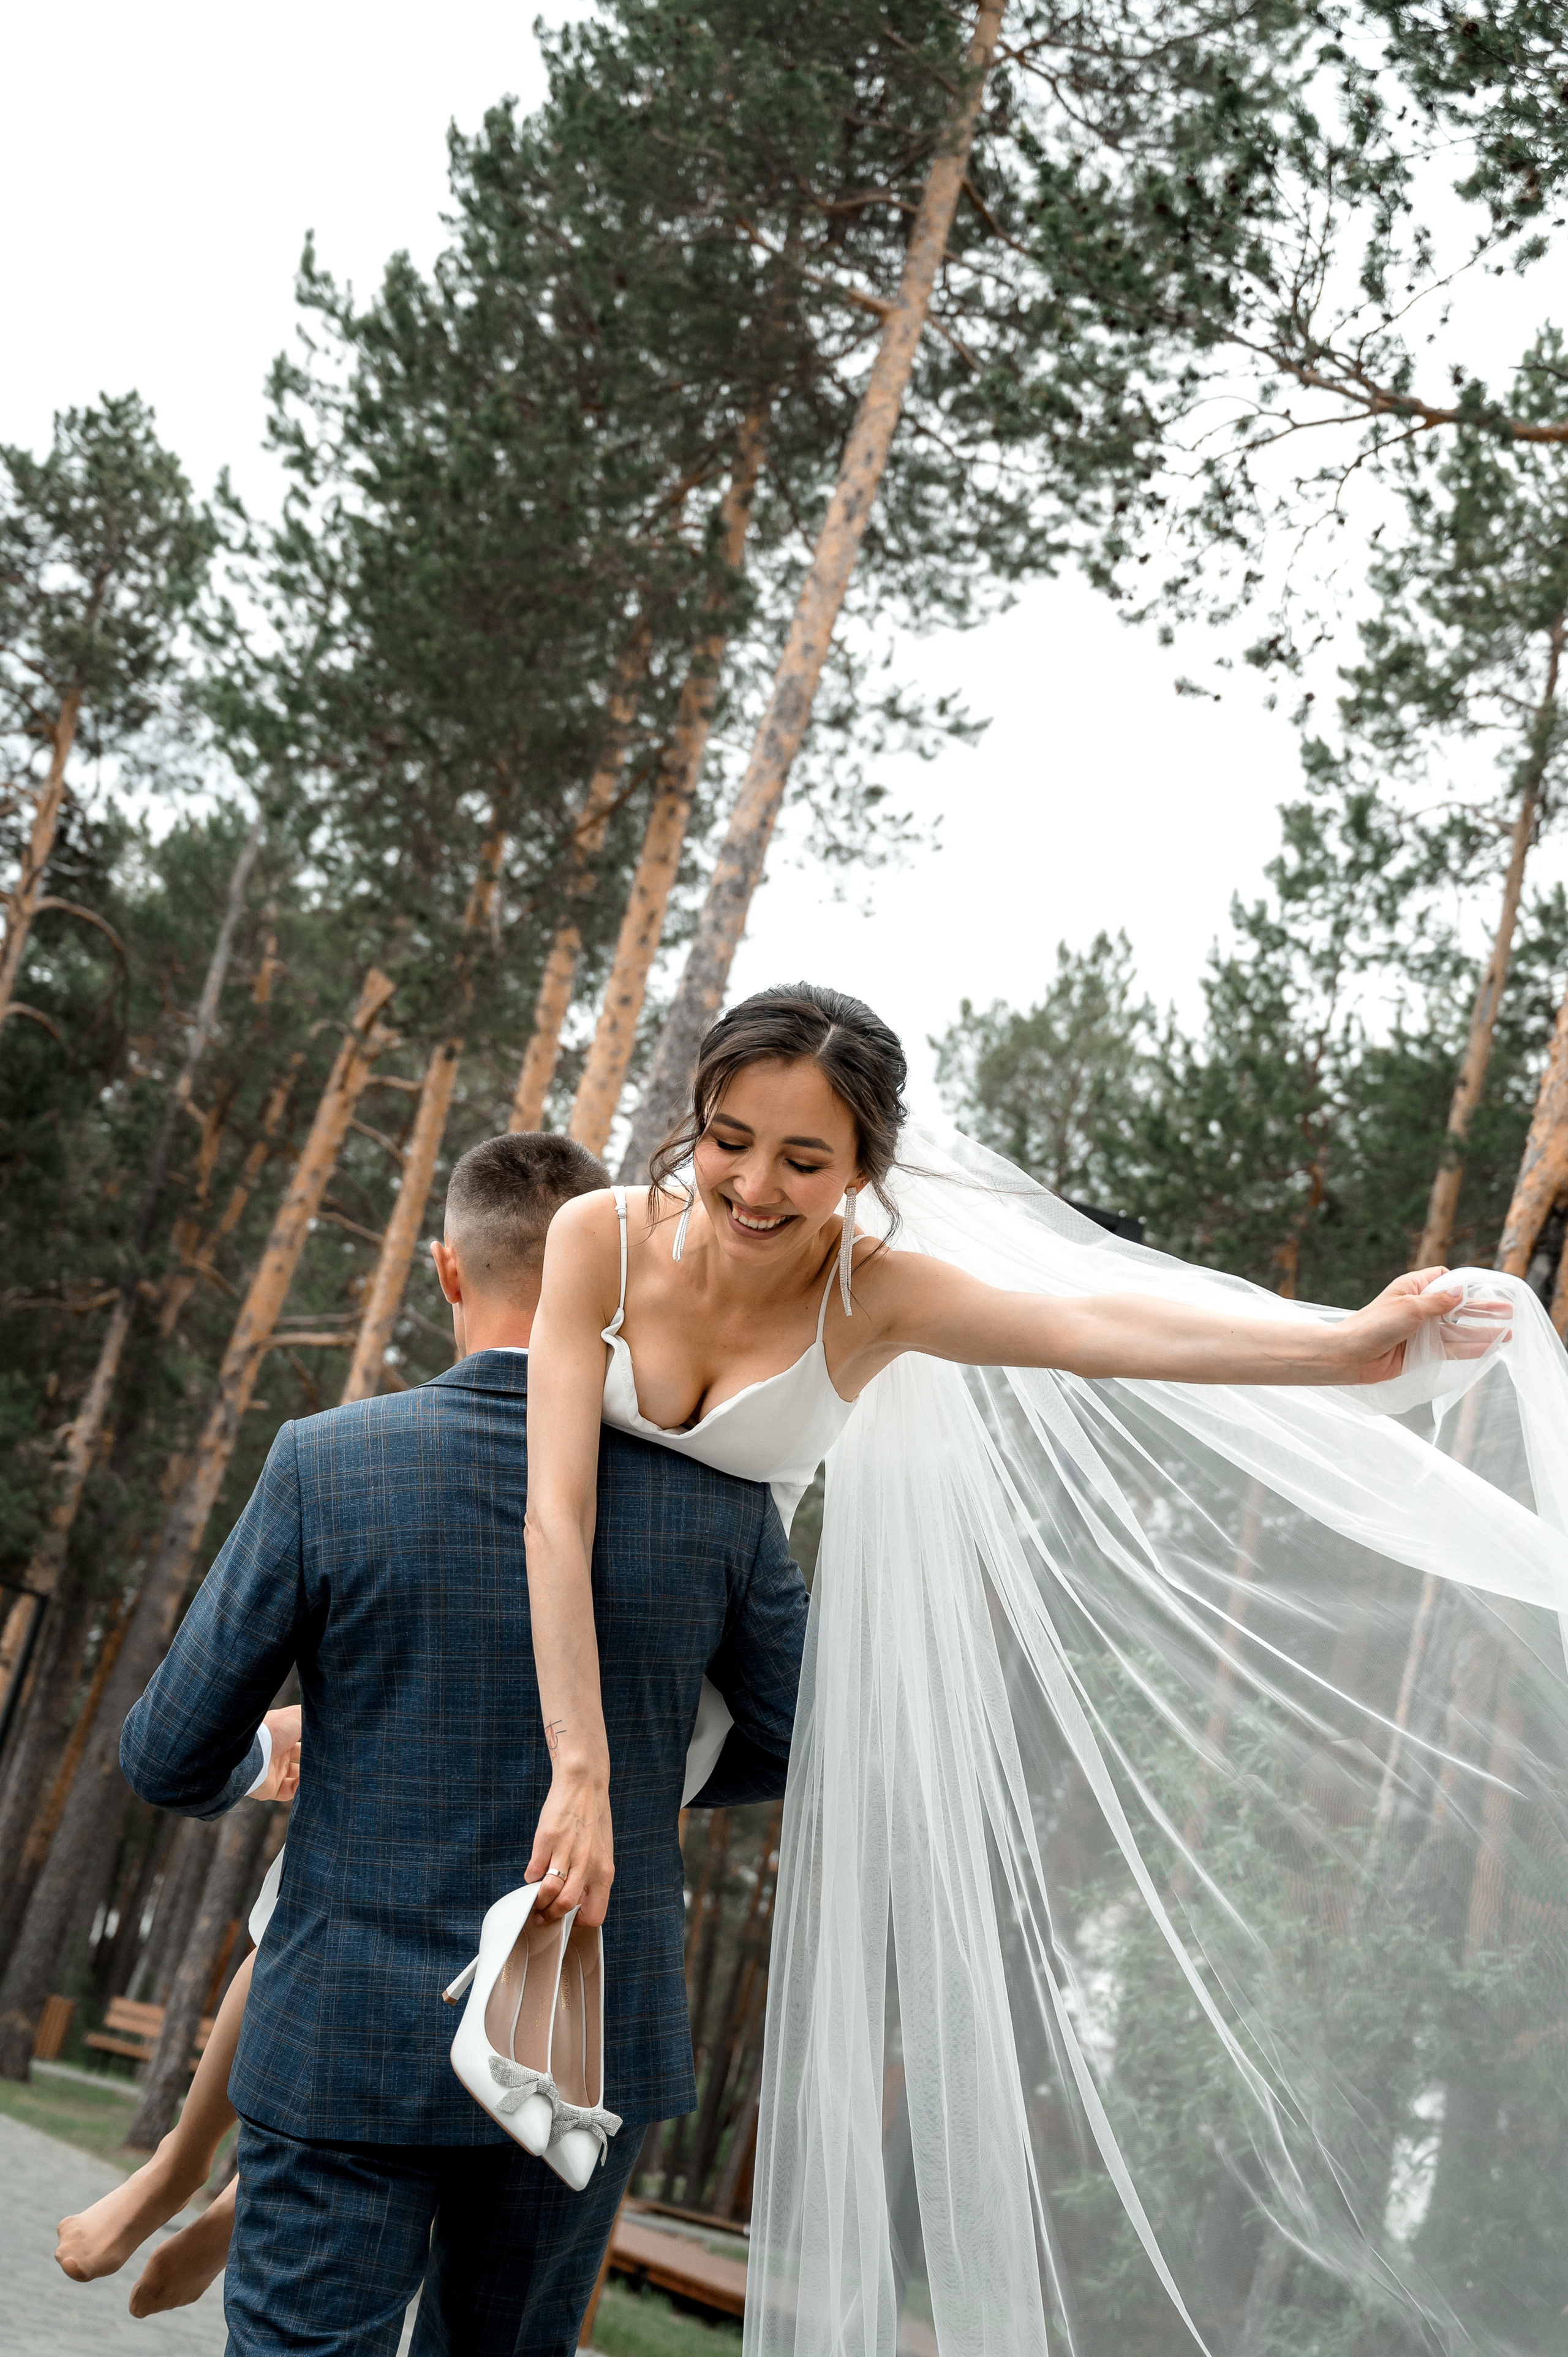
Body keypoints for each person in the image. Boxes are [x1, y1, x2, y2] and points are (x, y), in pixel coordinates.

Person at [518, 982, 1568, 2357]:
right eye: (728, 1139)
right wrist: (582, 1769)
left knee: (561, 1992)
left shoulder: (875, 1295)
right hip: (541, 1617)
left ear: (866, 1171)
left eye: (805, 1159)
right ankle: (233, 2166)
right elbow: (553, 1508)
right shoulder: (595, 1236)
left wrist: (1340, 1340)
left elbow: (1104, 1332)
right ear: (693, 1123)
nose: (754, 1185)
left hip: (701, 1678)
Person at [91, 1129, 809, 2354]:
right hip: (584, 2047)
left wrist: (276, 1758)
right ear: (616, 1276)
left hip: (342, 2039)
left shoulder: (328, 1462)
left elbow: (164, 1756)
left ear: (447, 1272)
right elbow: (800, 1743)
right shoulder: (719, 1505)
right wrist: (641, 1789)